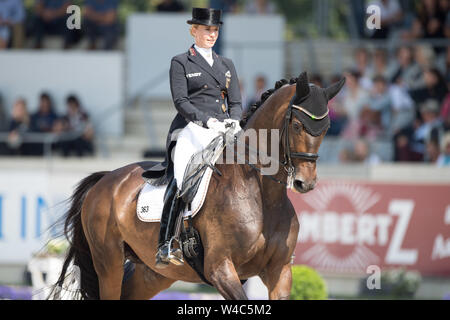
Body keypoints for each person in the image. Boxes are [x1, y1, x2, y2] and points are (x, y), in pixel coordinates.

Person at [142, 8, 243, 268]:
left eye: (215, 30)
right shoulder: (181, 62)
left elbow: (236, 102)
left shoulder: (226, 64)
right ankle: (166, 243)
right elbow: (181, 101)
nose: (211, 34)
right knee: (182, 175)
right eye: (207, 30)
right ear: (193, 31)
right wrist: (205, 120)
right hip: (191, 128)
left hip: (222, 129)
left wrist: (234, 120)